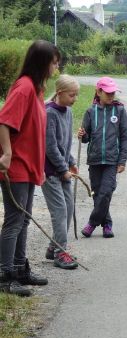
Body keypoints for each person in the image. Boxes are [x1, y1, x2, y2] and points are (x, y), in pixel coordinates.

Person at [0, 40, 60, 296]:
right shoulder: (23, 87)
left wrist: (39, 166)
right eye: (54, 62)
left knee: (23, 220)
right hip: (15, 167)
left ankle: (19, 268)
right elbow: (3, 122)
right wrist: (7, 152)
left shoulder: (36, 89)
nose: (57, 67)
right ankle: (4, 277)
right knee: (14, 222)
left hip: (29, 167)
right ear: (42, 62)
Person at [77, 77, 127, 239]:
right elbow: (86, 138)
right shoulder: (90, 111)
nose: (111, 95)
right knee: (97, 193)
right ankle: (107, 223)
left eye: (113, 92)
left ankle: (92, 223)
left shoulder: (119, 111)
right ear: (98, 92)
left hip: (111, 160)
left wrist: (122, 160)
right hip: (94, 160)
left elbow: (125, 136)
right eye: (107, 93)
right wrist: (82, 135)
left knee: (106, 192)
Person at [42, 75, 80, 270]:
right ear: (59, 93)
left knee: (69, 207)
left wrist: (71, 162)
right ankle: (60, 253)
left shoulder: (69, 112)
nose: (75, 99)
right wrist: (63, 169)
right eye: (72, 95)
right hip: (49, 172)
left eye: (76, 95)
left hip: (63, 169)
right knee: (60, 211)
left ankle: (53, 247)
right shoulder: (50, 113)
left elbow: (65, 142)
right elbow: (50, 147)